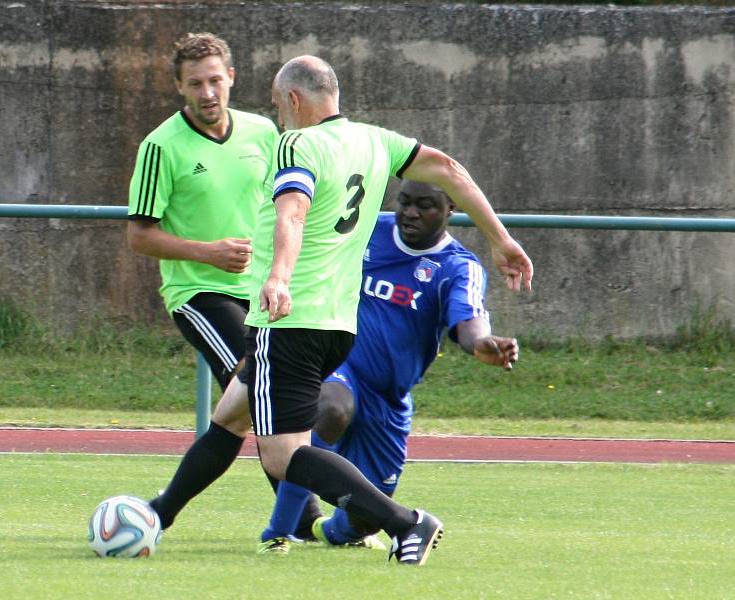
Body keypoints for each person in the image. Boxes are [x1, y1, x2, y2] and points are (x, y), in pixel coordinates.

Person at [241, 55, 533, 567]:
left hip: (304, 323)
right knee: (302, 422)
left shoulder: (299, 143)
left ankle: (399, 522)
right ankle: (279, 528)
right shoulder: (375, 141)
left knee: (291, 463)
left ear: (292, 100)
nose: (278, 117)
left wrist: (279, 277)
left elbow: (293, 212)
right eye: (407, 202)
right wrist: (503, 239)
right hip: (338, 339)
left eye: (276, 106)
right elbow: (449, 167)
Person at [257, 180, 519, 552]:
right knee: (330, 408)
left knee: (361, 523)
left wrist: (481, 344)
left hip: (389, 398)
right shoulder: (366, 230)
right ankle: (278, 533)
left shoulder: (458, 267)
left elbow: (469, 323)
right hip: (341, 364)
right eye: (405, 202)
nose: (410, 212)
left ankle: (322, 530)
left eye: (425, 205)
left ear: (451, 211)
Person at [126, 33, 283, 530]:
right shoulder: (160, 146)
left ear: (232, 77)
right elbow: (139, 235)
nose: (208, 92)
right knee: (261, 391)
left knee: (256, 404)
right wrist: (208, 254)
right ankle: (306, 513)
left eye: (216, 80)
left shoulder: (263, 133)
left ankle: (160, 513)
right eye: (195, 83)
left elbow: (288, 208)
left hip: (262, 293)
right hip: (198, 292)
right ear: (179, 87)